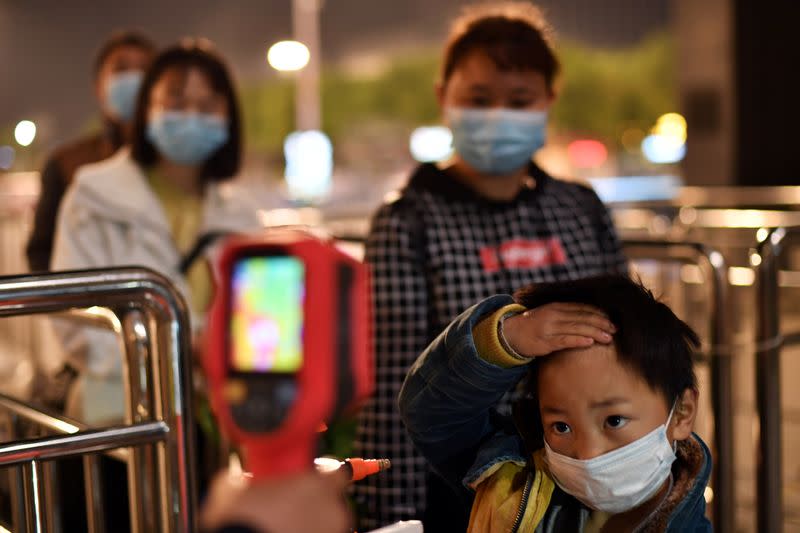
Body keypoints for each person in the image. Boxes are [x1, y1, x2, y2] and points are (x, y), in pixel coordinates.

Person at [352, 2, 627, 529]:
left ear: (548, 101)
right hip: (465, 486)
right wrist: (391, 513)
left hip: (589, 467)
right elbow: (396, 379)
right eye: (479, 99)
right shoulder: (409, 218)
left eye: (519, 99)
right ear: (443, 99)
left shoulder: (580, 206)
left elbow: (626, 337)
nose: (498, 113)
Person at [51, 39, 261, 423]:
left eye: (208, 104)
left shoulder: (241, 214)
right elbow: (75, 322)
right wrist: (185, 348)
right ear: (147, 109)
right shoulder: (94, 195)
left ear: (229, 116)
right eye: (176, 102)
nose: (192, 116)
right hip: (121, 422)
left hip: (220, 419)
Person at [399, 275, 712, 532]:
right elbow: (433, 414)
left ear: (681, 413)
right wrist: (508, 338)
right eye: (561, 426)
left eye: (614, 420)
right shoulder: (511, 477)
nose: (587, 454)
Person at [26, 30, 156, 272]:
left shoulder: (173, 166)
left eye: (144, 69)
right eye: (121, 69)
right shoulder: (68, 165)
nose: (135, 79)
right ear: (99, 87)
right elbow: (41, 253)